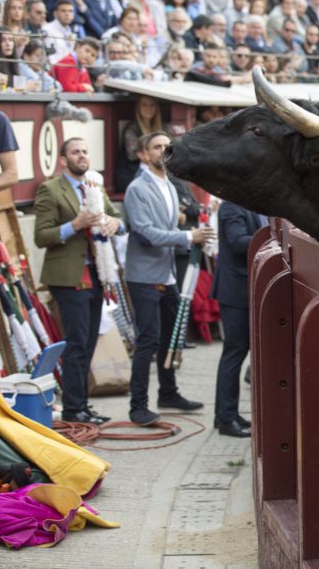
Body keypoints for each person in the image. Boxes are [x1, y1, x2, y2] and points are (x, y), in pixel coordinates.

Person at [123, 131, 210, 426]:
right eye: (157, 147)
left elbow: (164, 225)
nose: (163, 151)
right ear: (144, 155)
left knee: (170, 337)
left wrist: (183, 228)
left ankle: (168, 392)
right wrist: (188, 236)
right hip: (144, 276)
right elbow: (145, 233)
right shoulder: (137, 188)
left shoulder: (171, 186)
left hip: (166, 273)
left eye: (166, 146)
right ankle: (138, 406)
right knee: (147, 341)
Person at [33, 137, 122, 425]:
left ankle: (82, 405)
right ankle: (73, 408)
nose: (82, 156)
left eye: (85, 151)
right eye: (75, 152)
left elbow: (117, 216)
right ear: (63, 160)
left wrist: (113, 222)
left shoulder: (94, 184)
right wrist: (76, 225)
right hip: (69, 276)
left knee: (88, 343)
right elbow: (41, 236)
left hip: (98, 273)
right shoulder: (50, 189)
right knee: (77, 344)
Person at [211, 200, 266, 438]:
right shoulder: (231, 206)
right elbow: (237, 242)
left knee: (235, 353)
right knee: (234, 353)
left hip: (245, 289)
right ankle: (226, 419)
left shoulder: (254, 205)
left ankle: (224, 413)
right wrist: (273, 240)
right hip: (235, 292)